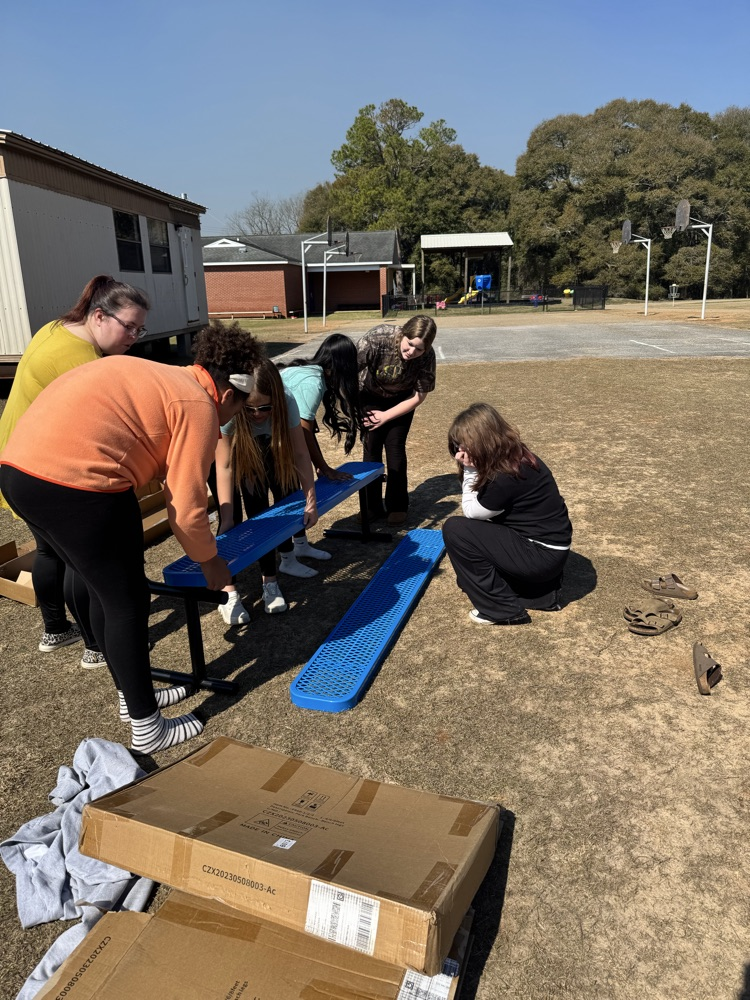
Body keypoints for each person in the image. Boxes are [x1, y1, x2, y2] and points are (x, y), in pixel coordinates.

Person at [0, 323, 263, 753]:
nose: (231, 422)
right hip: (79, 483)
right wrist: (211, 561)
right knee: (127, 602)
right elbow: (187, 507)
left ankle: (133, 699)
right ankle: (148, 728)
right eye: (238, 411)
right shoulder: (198, 403)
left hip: (19, 471)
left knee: (106, 593)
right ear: (229, 393)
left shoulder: (169, 377)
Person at [0, 275, 150, 668]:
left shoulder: (57, 329)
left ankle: (55, 629)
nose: (134, 335)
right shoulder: (79, 360)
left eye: (140, 328)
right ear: (99, 316)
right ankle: (95, 644)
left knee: (52, 550)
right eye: (128, 326)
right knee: (80, 559)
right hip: (45, 467)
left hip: (17, 457)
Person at [443, 403, 572, 625]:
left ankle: (501, 611)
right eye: (457, 446)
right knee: (468, 577)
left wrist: (470, 470)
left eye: (463, 446)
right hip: (549, 550)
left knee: (456, 530)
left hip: (542, 555)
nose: (459, 453)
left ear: (483, 440)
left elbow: (472, 513)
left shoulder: (506, 476)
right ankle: (540, 593)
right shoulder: (515, 456)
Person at [213, 357, 318, 625]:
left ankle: (270, 582)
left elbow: (300, 453)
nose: (258, 414)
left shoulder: (288, 400)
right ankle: (229, 592)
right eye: (250, 409)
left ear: (277, 400)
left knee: (269, 514)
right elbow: (223, 465)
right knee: (233, 522)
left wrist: (311, 500)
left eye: (265, 407)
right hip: (229, 455)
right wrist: (225, 517)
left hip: (266, 448)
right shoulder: (230, 407)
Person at [277, 333, 365, 567]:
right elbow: (303, 433)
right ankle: (287, 559)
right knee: (288, 495)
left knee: (293, 491)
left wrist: (320, 466)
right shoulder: (312, 382)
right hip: (269, 442)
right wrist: (325, 468)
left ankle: (301, 545)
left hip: (277, 437)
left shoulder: (311, 372)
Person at [357, 315, 437, 526]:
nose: (412, 352)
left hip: (403, 400)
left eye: (419, 349)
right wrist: (359, 409)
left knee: (395, 448)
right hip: (369, 396)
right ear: (403, 334)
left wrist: (386, 416)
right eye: (410, 344)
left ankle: (397, 505)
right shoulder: (376, 339)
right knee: (371, 448)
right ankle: (370, 505)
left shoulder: (427, 356)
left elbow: (418, 396)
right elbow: (349, 372)